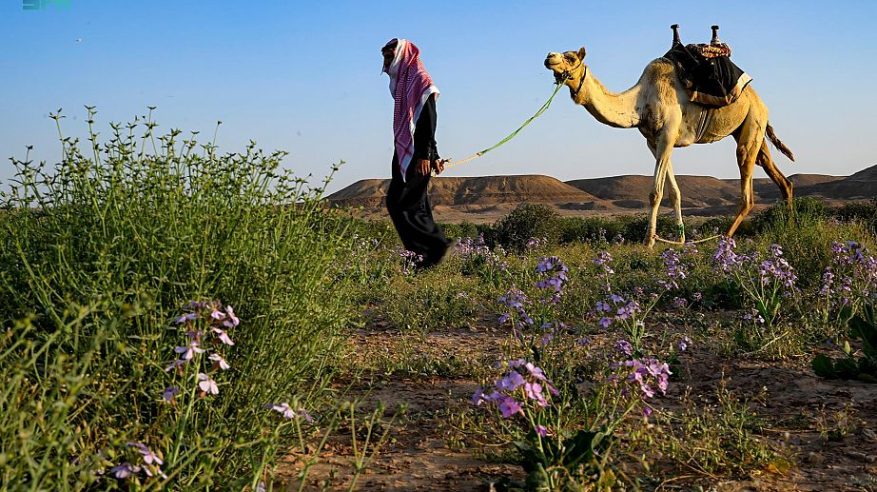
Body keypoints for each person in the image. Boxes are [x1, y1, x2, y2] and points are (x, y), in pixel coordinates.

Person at [381, 38, 452, 269]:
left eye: (390, 57)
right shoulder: (406, 81)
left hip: (415, 153)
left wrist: (426, 155)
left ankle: (433, 248)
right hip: (407, 150)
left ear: (401, 55)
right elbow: (418, 120)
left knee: (402, 204)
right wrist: (434, 155)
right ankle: (419, 259)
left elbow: (428, 118)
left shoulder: (420, 80)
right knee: (413, 204)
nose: (386, 63)